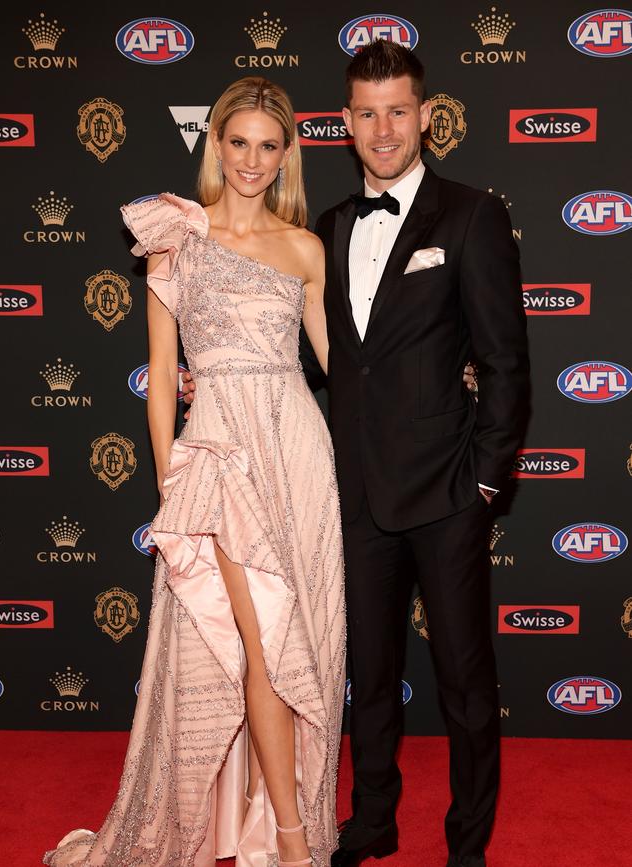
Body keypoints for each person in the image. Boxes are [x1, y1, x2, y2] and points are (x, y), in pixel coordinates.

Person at [185, 39, 531, 867]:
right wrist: (217, 376)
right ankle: (373, 820)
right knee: (367, 678)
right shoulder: (327, 229)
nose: (383, 129)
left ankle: (467, 841)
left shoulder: (474, 214)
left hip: (448, 493)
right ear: (344, 122)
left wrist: (485, 480)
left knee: (464, 684)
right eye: (367, 113)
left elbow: (508, 363)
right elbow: (316, 352)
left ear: (425, 116)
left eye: (399, 111)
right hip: (353, 496)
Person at [44, 77, 346, 867]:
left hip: (298, 452)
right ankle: (290, 837)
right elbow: (160, 376)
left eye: (268, 146)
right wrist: (170, 483)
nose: (251, 159)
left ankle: (282, 821)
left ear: (287, 156)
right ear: (216, 145)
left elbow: (342, 368)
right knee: (260, 641)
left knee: (296, 641)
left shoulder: (305, 247)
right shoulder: (176, 236)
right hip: (217, 456)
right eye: (237, 142)